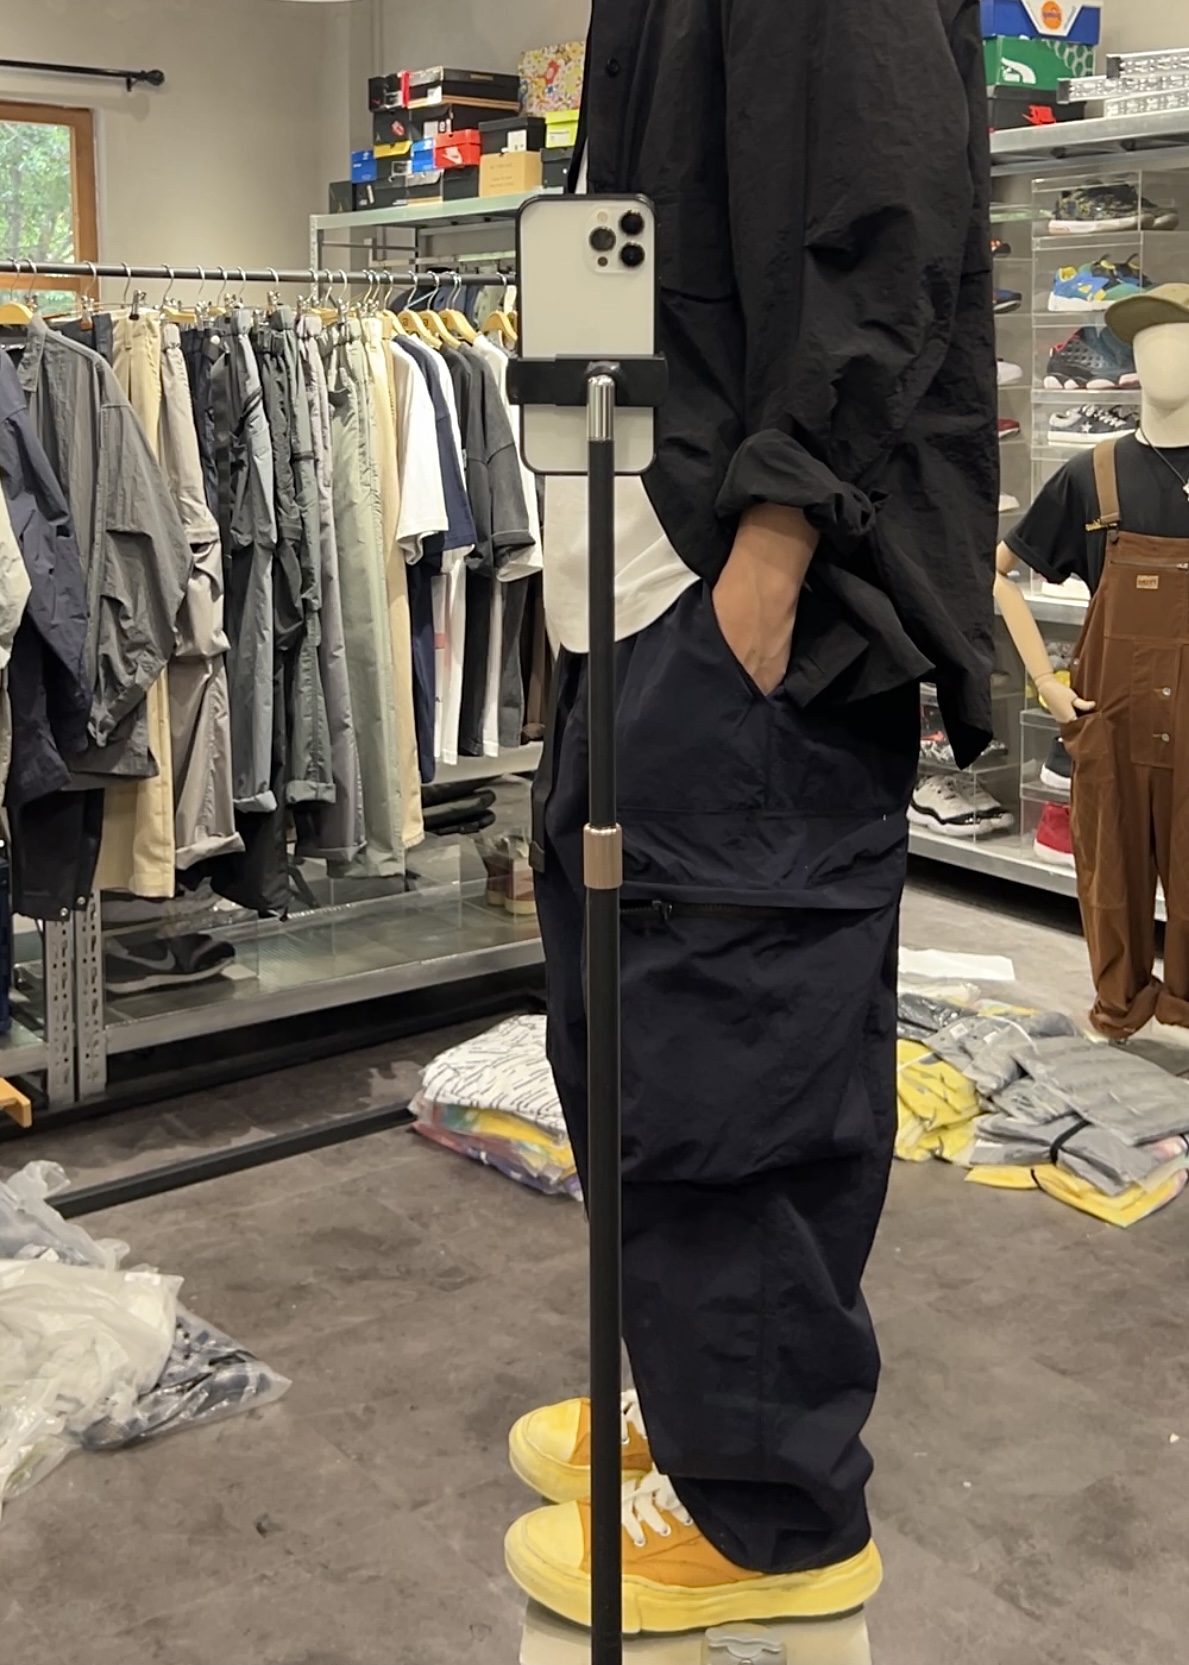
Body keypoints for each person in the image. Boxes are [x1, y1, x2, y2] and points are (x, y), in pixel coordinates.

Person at [504, 0, 998, 1634]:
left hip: (741, 578)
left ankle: (769, 1511)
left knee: (735, 1049)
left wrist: (777, 543)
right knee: (632, 1037)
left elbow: (883, 218)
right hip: (642, 574)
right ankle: (696, 1398)